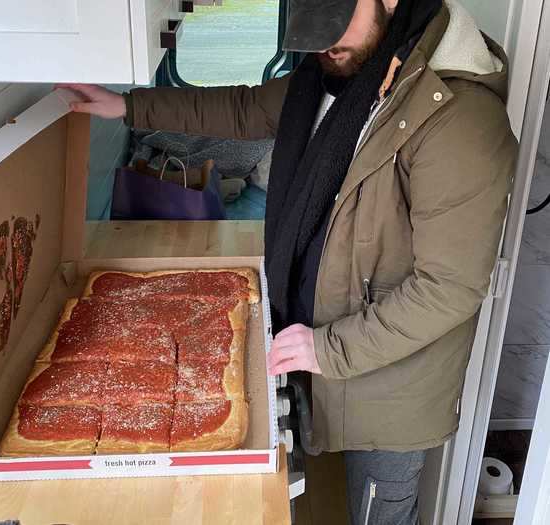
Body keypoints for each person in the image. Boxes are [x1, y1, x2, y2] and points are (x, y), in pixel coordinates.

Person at [60, 0, 517, 522]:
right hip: (322, 341)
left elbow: (449, 288)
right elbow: (245, 109)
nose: (324, 45)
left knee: (380, 513)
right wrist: (128, 107)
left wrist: (329, 350)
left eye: (336, 24)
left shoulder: (458, 118)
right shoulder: (335, 73)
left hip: (392, 389)